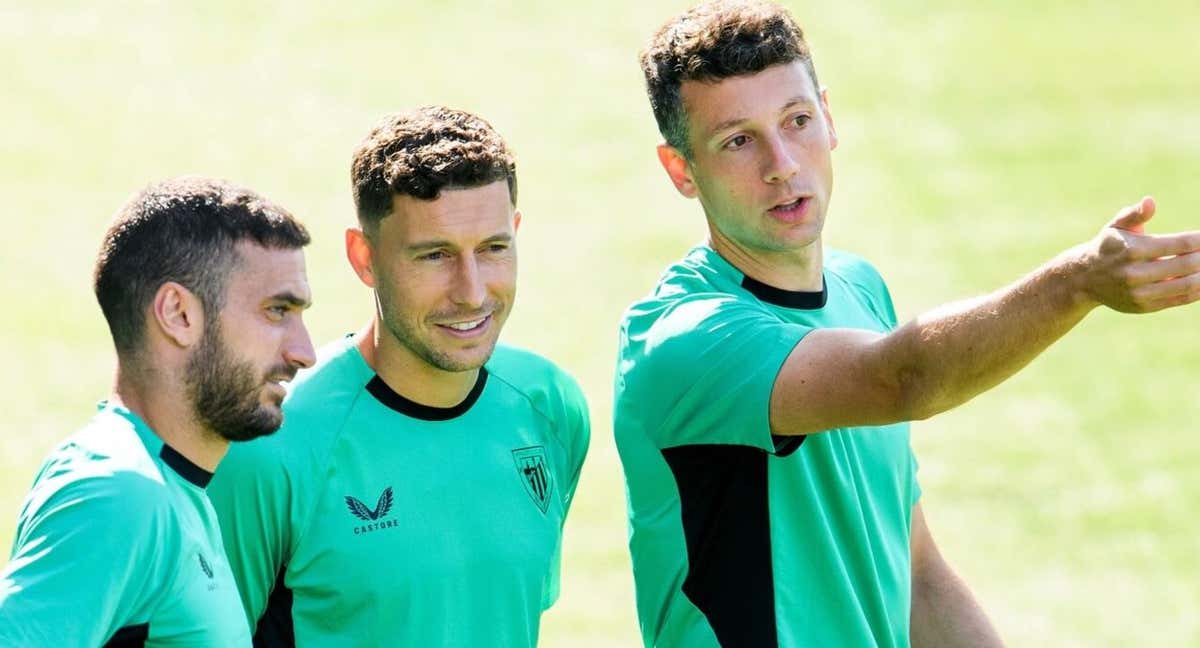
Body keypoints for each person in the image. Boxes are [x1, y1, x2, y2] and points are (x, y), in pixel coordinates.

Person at [614, 2, 1200, 647]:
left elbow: (916, 570)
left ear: (829, 118)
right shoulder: (684, 339)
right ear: (680, 170)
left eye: (797, 121)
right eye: (738, 140)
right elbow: (904, 378)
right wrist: (1077, 281)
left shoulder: (859, 289)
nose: (782, 163)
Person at [208, 106, 591, 647]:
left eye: (493, 249)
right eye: (434, 256)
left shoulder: (550, 408)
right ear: (365, 258)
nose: (473, 292)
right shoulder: (272, 445)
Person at [0, 176, 316, 646]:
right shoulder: (120, 494)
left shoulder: (173, 487)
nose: (304, 352)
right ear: (178, 315)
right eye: (277, 311)